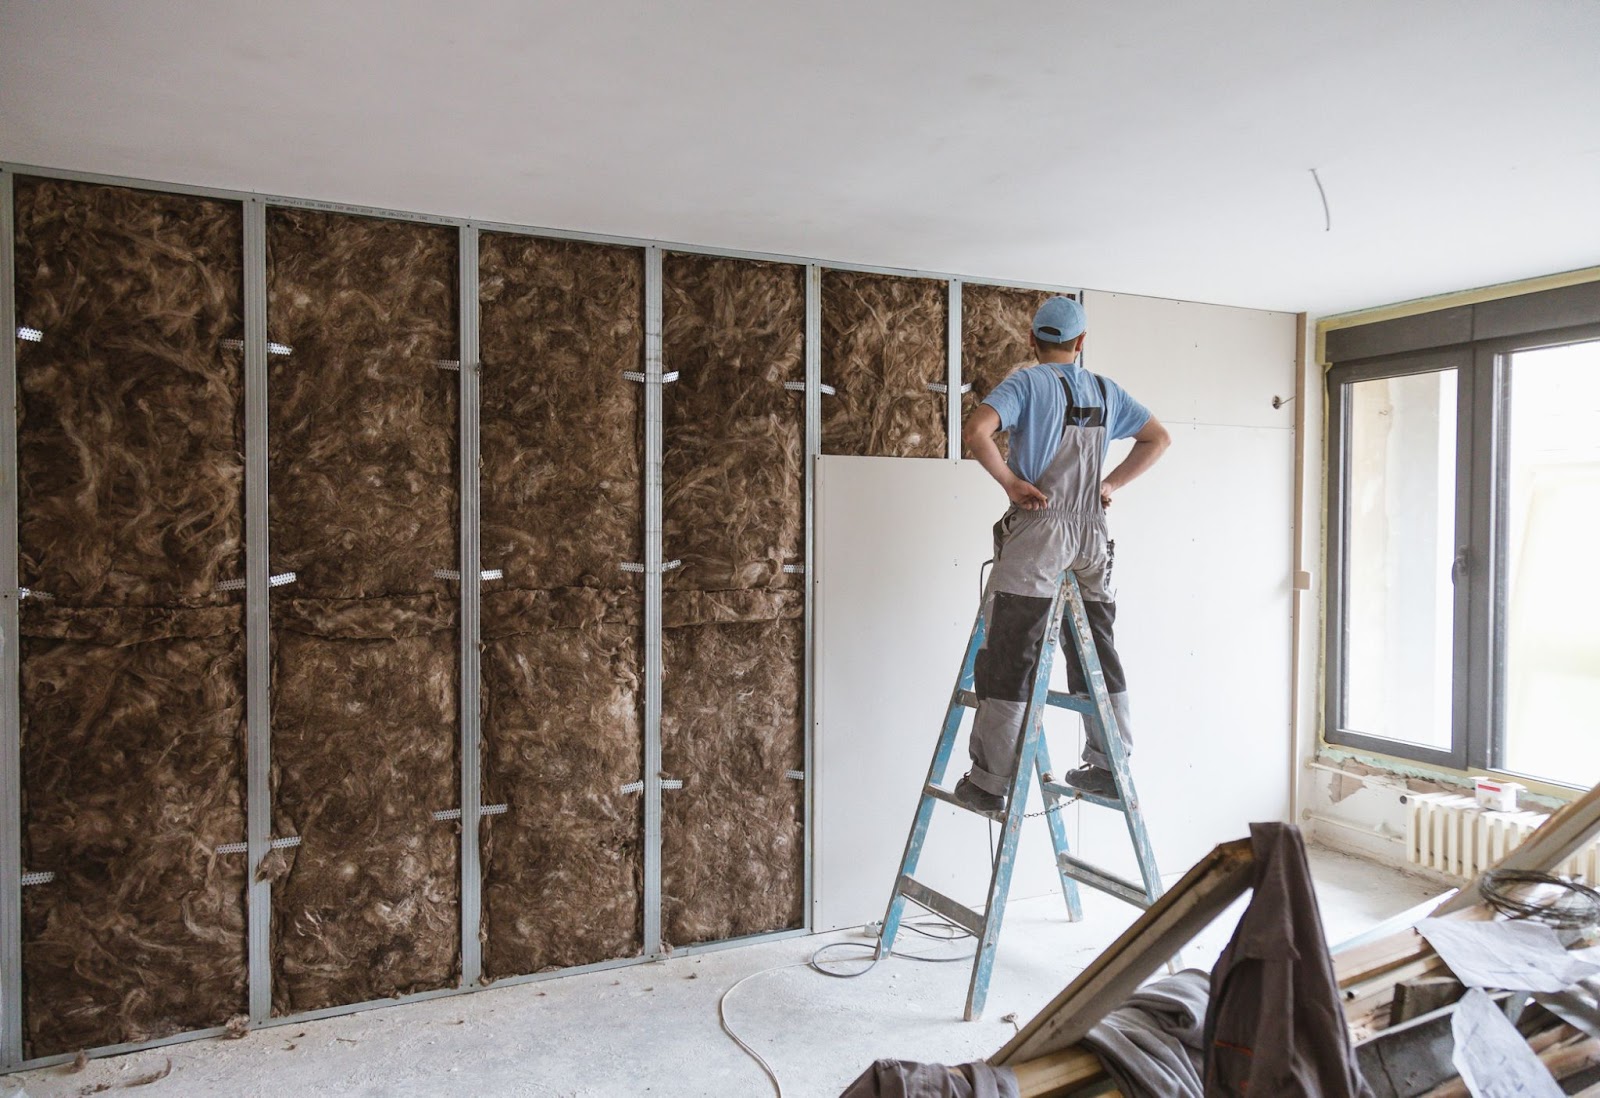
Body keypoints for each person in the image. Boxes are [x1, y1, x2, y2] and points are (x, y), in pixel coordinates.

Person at [955, 296, 1170, 810]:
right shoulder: (1104, 389)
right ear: (1080, 344)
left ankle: (990, 783)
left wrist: (1011, 483)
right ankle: (1109, 766)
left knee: (1012, 654)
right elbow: (1158, 438)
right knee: (1097, 648)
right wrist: (1109, 484)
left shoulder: (1026, 383)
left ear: (1033, 340)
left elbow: (976, 432)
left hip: (1041, 529)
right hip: (1092, 534)